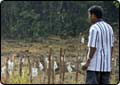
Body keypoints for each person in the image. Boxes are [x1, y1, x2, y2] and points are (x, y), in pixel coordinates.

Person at [81, 5, 114, 84]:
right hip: (106, 67)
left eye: (89, 15)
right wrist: (109, 61)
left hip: (94, 67)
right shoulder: (109, 27)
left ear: (93, 15)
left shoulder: (94, 28)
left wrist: (87, 62)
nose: (89, 18)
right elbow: (111, 47)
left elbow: (93, 47)